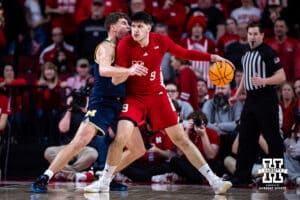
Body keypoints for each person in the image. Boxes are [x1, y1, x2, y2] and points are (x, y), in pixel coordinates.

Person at [84, 12, 232, 195]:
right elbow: (115, 80)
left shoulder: (160, 40)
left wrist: (212, 58)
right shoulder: (125, 44)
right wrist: (130, 71)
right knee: (121, 137)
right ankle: (103, 182)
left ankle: (215, 181)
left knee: (181, 139)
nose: (135, 30)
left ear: (149, 27)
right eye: (133, 26)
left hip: (157, 95)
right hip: (134, 97)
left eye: (139, 26)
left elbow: (184, 53)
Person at [31, 12, 148, 193]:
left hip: (122, 102)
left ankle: (106, 178)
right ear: (113, 27)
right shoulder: (106, 46)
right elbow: (104, 70)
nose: (129, 27)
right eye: (125, 23)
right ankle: (45, 176)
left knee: (138, 149)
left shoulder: (125, 49)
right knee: (79, 142)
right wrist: (131, 70)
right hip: (102, 102)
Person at [229, 21, 286, 186]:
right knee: (246, 138)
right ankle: (241, 178)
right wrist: (237, 95)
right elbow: (245, 76)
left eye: (255, 34)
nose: (252, 37)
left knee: (272, 139)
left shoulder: (268, 52)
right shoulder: (246, 53)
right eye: (250, 34)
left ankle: (275, 179)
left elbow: (281, 76)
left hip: (266, 99)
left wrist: (264, 80)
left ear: (262, 36)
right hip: (251, 100)